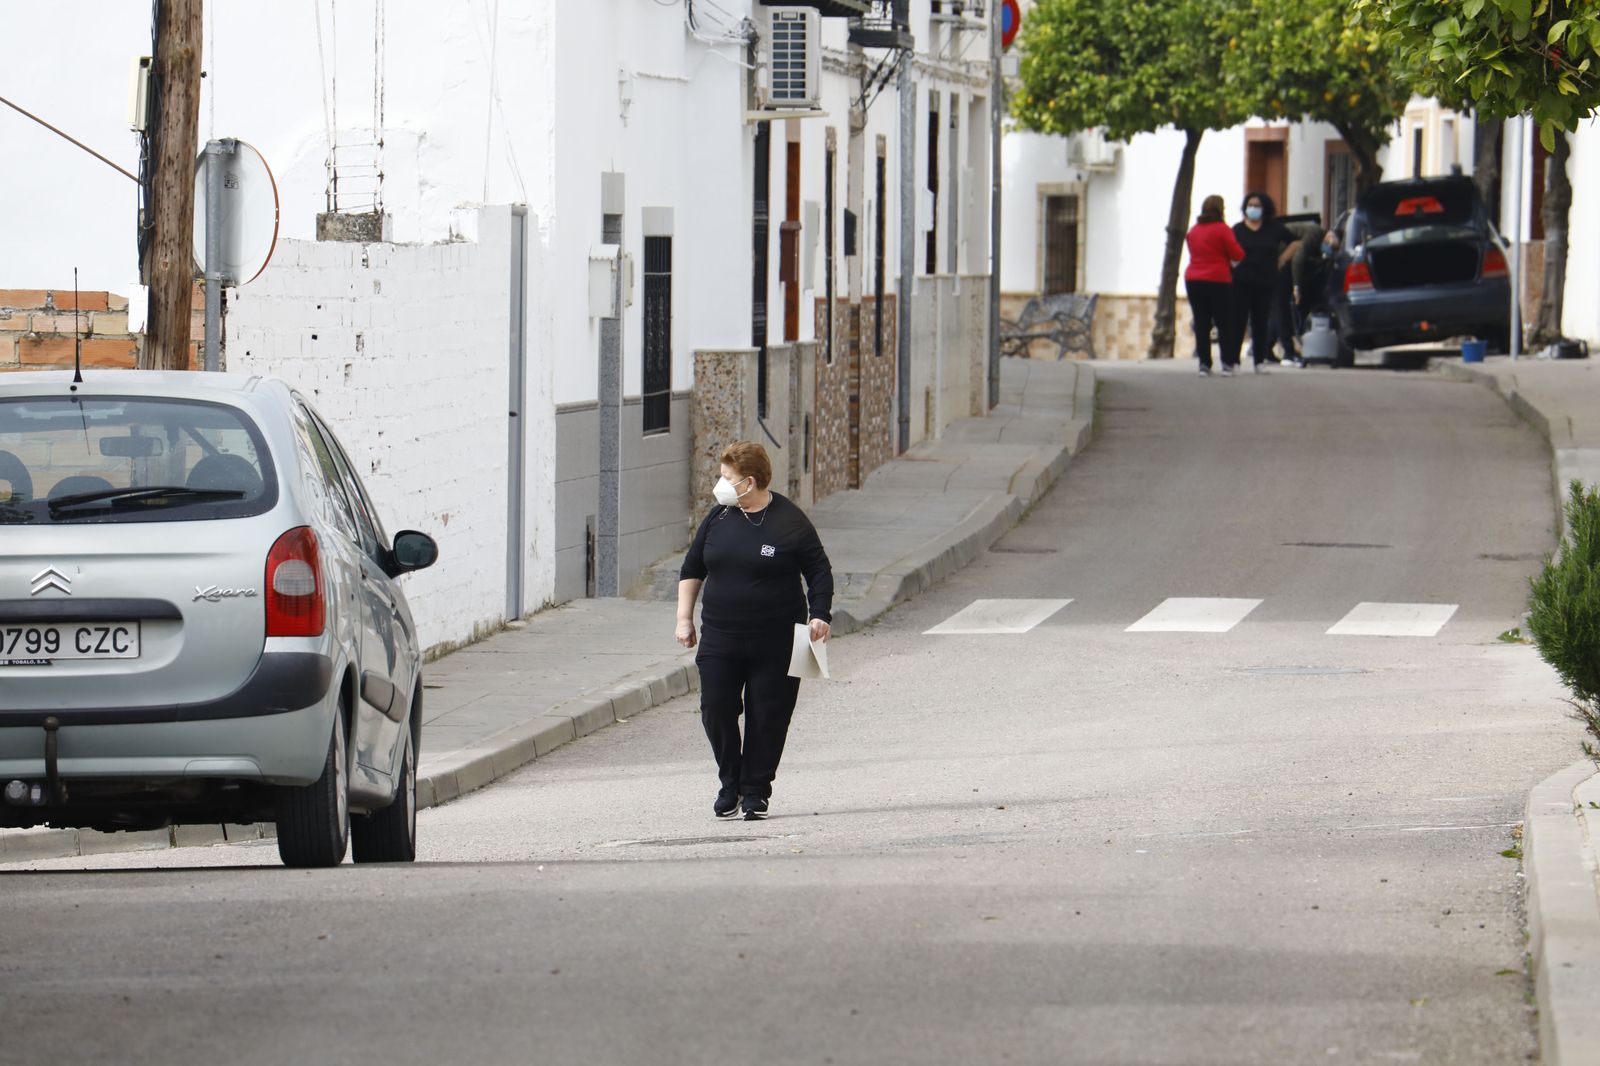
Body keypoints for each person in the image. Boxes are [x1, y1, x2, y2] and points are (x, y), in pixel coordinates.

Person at [676, 441, 834, 821]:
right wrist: (684, 618)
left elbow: (819, 571)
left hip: (779, 638)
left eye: (727, 477)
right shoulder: (718, 518)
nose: (720, 483)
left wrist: (820, 614)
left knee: (769, 715)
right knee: (716, 708)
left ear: (749, 481)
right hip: (720, 635)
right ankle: (730, 781)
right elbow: (692, 568)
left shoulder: (790, 521)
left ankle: (755, 791)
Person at [1229, 192, 1301, 374]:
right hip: (1241, 280)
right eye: (1250, 204)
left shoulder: (1273, 228)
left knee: (1261, 321)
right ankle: (1234, 361)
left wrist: (1282, 259)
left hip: (1265, 280)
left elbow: (1294, 242)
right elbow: (1228, 249)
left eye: (1257, 205)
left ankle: (1259, 360)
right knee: (1238, 321)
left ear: (1264, 208)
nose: (1253, 208)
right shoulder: (1237, 229)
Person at [1183, 194, 1245, 377]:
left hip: (1193, 279)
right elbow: (1237, 254)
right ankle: (1227, 363)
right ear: (1220, 209)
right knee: (1224, 322)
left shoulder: (1193, 231)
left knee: (1201, 322)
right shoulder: (1223, 230)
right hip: (1218, 279)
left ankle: (1204, 364)